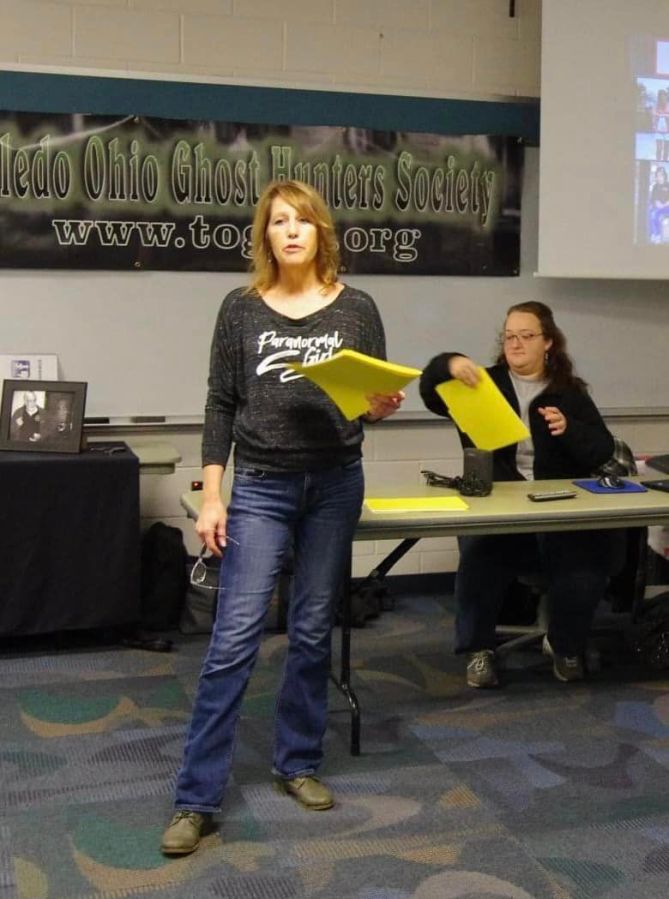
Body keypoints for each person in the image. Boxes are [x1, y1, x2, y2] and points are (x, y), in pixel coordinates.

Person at [160, 179, 404, 856]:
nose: (291, 230)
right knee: (234, 636)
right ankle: (195, 798)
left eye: (302, 220)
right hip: (262, 486)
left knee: (312, 629)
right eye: (278, 221)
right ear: (264, 235)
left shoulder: (357, 307)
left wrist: (378, 407)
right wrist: (214, 494)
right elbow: (219, 403)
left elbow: (368, 403)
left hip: (335, 483)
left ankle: (297, 761)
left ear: (321, 231)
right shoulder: (240, 309)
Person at [419, 301, 616, 689]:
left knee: (587, 559)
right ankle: (478, 649)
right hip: (499, 506)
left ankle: (565, 645)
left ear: (548, 342)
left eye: (526, 336)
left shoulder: (569, 392)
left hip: (558, 510)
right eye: (509, 336)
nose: (515, 343)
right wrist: (450, 363)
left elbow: (602, 450)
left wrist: (570, 429)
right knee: (479, 554)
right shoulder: (482, 383)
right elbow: (430, 390)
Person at [648, 165, 669, 243]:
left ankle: (657, 235)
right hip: (657, 207)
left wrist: (665, 204)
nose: (659, 178)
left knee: (654, 214)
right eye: (657, 176)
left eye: (661, 176)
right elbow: (652, 199)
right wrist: (655, 202)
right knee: (650, 212)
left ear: (664, 176)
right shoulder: (655, 186)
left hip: (667, 207)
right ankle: (653, 234)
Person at [653, 89, 669, 161]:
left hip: (668, 131)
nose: (662, 98)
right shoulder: (656, 105)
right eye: (661, 97)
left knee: (666, 149)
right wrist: (654, 126)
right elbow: (654, 115)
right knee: (659, 148)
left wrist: (664, 115)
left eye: (664, 96)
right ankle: (658, 161)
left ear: (666, 96)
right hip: (658, 130)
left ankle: (664, 162)